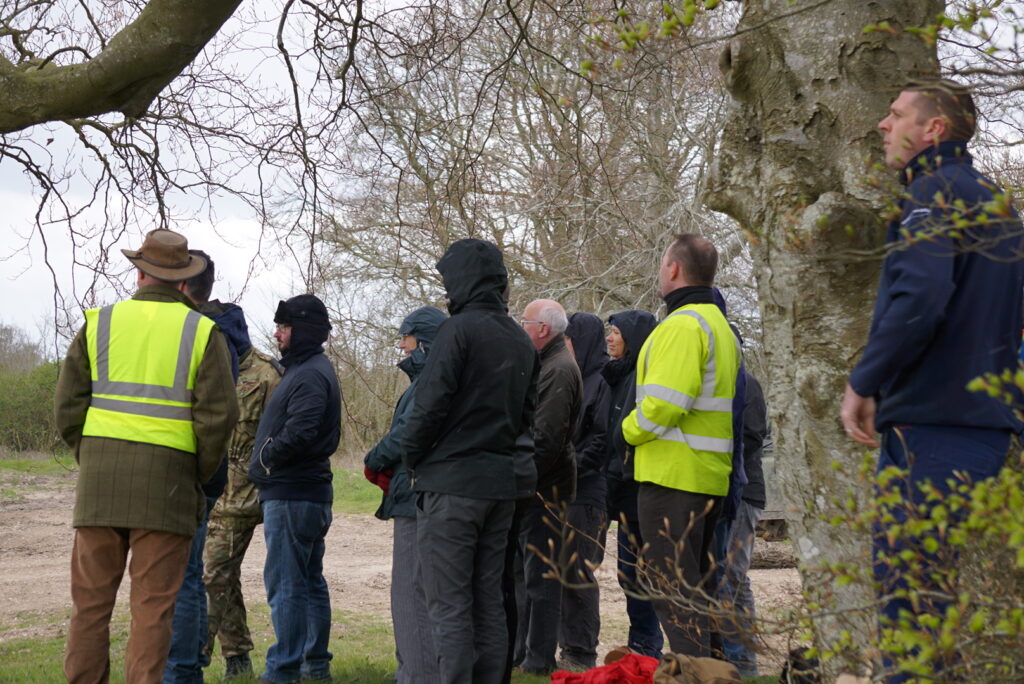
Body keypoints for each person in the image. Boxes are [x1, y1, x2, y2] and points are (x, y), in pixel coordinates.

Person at [840, 81, 1024, 682]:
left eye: (895, 115)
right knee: (934, 612)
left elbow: (920, 296)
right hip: (985, 433)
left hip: (931, 428)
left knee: (908, 614)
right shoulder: (999, 206)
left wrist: (865, 381)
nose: (882, 126)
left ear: (933, 130)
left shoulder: (931, 192)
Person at [55, 228, 239, 683]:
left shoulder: (99, 323)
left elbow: (67, 407)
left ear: (139, 276)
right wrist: (194, 472)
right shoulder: (202, 332)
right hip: (169, 489)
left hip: (99, 486)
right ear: (182, 282)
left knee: (90, 608)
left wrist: (93, 455)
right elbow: (219, 418)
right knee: (153, 610)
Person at [400, 238, 539, 684]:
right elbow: (527, 417)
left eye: (448, 280)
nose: (445, 290)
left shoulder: (456, 332)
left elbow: (428, 407)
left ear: (462, 281)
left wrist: (411, 456)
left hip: (453, 487)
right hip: (500, 486)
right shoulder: (520, 338)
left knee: (450, 606)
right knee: (488, 602)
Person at [622, 233, 741, 658]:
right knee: (696, 589)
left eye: (660, 263)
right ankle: (711, 668)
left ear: (673, 269)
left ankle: (693, 670)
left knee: (671, 585)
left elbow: (663, 406)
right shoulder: (718, 326)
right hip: (707, 475)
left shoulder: (682, 325)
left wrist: (627, 430)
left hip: (672, 474)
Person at [165, 250, 257, 684]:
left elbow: (220, 420)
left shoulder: (199, 338)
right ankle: (228, 657)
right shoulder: (227, 340)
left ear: (183, 285)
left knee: (199, 577)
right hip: (219, 481)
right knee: (212, 577)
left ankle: (189, 665)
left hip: (221, 484)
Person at [248, 294, 341, 684]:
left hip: (293, 494)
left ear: (301, 330)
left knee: (287, 585)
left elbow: (302, 430)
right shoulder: (307, 369)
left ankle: (283, 671)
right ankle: (314, 665)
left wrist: (266, 460)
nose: (277, 334)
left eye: (284, 327)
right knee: (308, 581)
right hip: (305, 493)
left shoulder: (310, 374)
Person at [201, 288, 283, 678]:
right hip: (210, 489)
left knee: (212, 571)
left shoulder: (267, 375)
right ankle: (237, 657)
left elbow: (280, 436)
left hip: (246, 493)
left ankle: (191, 658)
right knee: (222, 575)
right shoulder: (206, 370)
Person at [364, 306, 447, 684]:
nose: (400, 346)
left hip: (416, 500)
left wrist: (375, 458)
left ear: (424, 342)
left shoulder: (431, 382)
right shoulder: (436, 378)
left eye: (406, 338)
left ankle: (417, 676)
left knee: (411, 598)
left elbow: (408, 434)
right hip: (421, 495)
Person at [513, 299, 583, 675]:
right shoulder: (546, 362)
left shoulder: (558, 368)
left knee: (541, 578)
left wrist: (522, 479)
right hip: (539, 485)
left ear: (543, 329)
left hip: (547, 489)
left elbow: (548, 438)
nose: (521, 327)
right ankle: (521, 653)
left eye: (525, 322)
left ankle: (538, 659)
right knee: (524, 575)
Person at [602, 309, 661, 659]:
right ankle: (642, 645)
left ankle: (648, 647)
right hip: (624, 491)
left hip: (642, 490)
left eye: (615, 332)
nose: (609, 338)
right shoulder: (617, 374)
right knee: (628, 574)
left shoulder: (643, 376)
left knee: (643, 575)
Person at [557, 312, 611, 671]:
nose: (565, 346)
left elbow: (603, 439)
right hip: (564, 488)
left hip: (588, 492)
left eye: (570, 340)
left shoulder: (602, 382)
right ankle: (567, 645)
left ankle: (581, 651)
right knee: (560, 570)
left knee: (577, 570)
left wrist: (569, 465)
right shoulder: (573, 378)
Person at [718, 368, 767, 678]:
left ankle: (742, 663)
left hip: (743, 492)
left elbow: (751, 435)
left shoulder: (747, 384)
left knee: (731, 576)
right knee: (724, 576)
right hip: (722, 491)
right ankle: (728, 658)